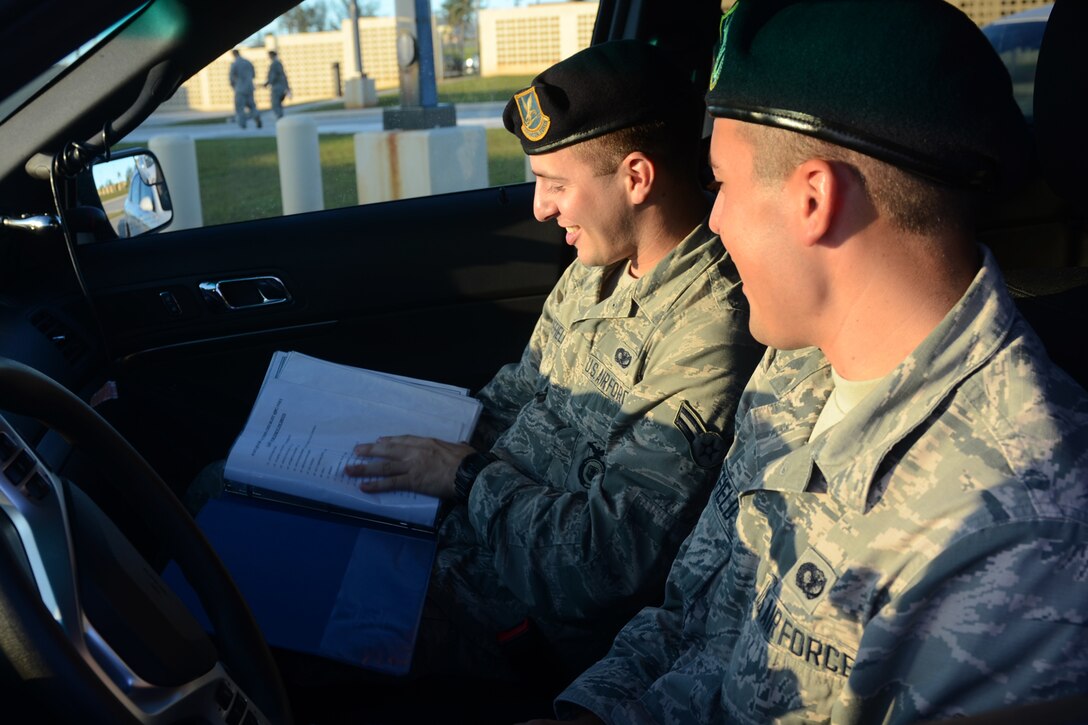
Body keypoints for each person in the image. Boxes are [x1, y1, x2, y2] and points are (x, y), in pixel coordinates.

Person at [544, 1, 1088, 723]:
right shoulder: (795, 370)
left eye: (723, 183)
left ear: (814, 200)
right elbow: (689, 622)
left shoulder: (1017, 535)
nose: (712, 219)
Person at [346, 39, 763, 682]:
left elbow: (602, 565)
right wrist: (399, 439)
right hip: (456, 540)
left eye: (555, 184)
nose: (540, 208)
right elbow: (514, 395)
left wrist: (462, 478)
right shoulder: (596, 268)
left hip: (512, 622)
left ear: (636, 177)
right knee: (227, 495)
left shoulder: (709, 330)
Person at [228, 48, 261, 129]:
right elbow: (253, 75)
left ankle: (243, 124)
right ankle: (257, 118)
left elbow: (231, 77)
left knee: (240, 108)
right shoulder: (248, 62)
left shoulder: (235, 64)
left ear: (233, 54)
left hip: (240, 88)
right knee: (252, 106)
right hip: (249, 87)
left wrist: (234, 86)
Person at [263, 49, 290, 120]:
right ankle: (280, 116)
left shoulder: (274, 64)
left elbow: (273, 76)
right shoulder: (279, 63)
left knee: (275, 104)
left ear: (271, 55)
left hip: (276, 87)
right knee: (278, 104)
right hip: (281, 87)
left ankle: (280, 117)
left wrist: (267, 83)